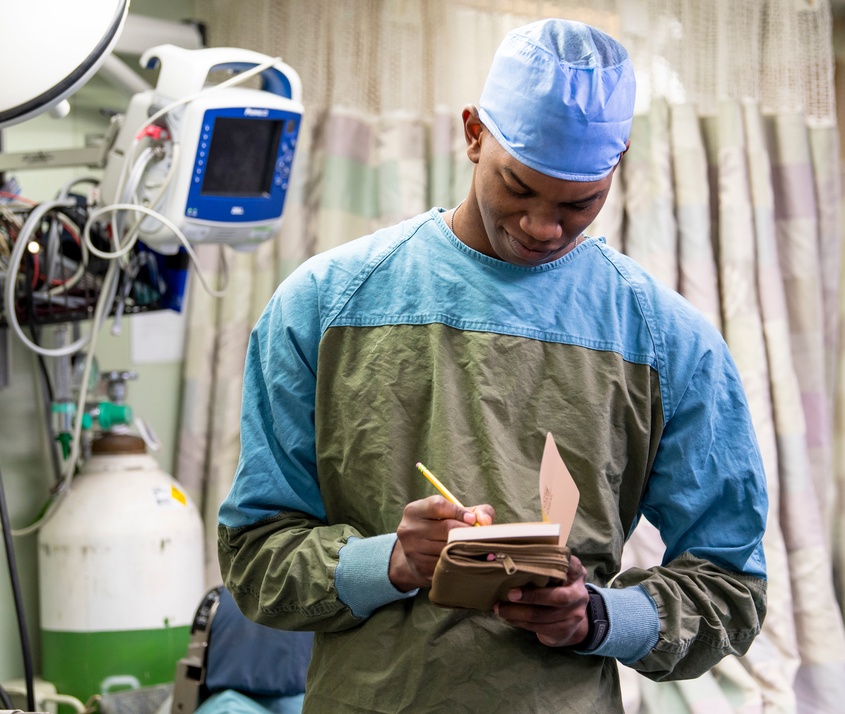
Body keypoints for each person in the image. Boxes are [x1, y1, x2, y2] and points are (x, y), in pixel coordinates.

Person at [218, 18, 768, 713]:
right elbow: (253, 555)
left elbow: (730, 586)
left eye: (578, 204)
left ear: (618, 162)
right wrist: (387, 561)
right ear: (473, 133)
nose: (543, 227)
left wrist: (596, 617)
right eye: (518, 187)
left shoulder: (665, 342)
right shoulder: (324, 307)